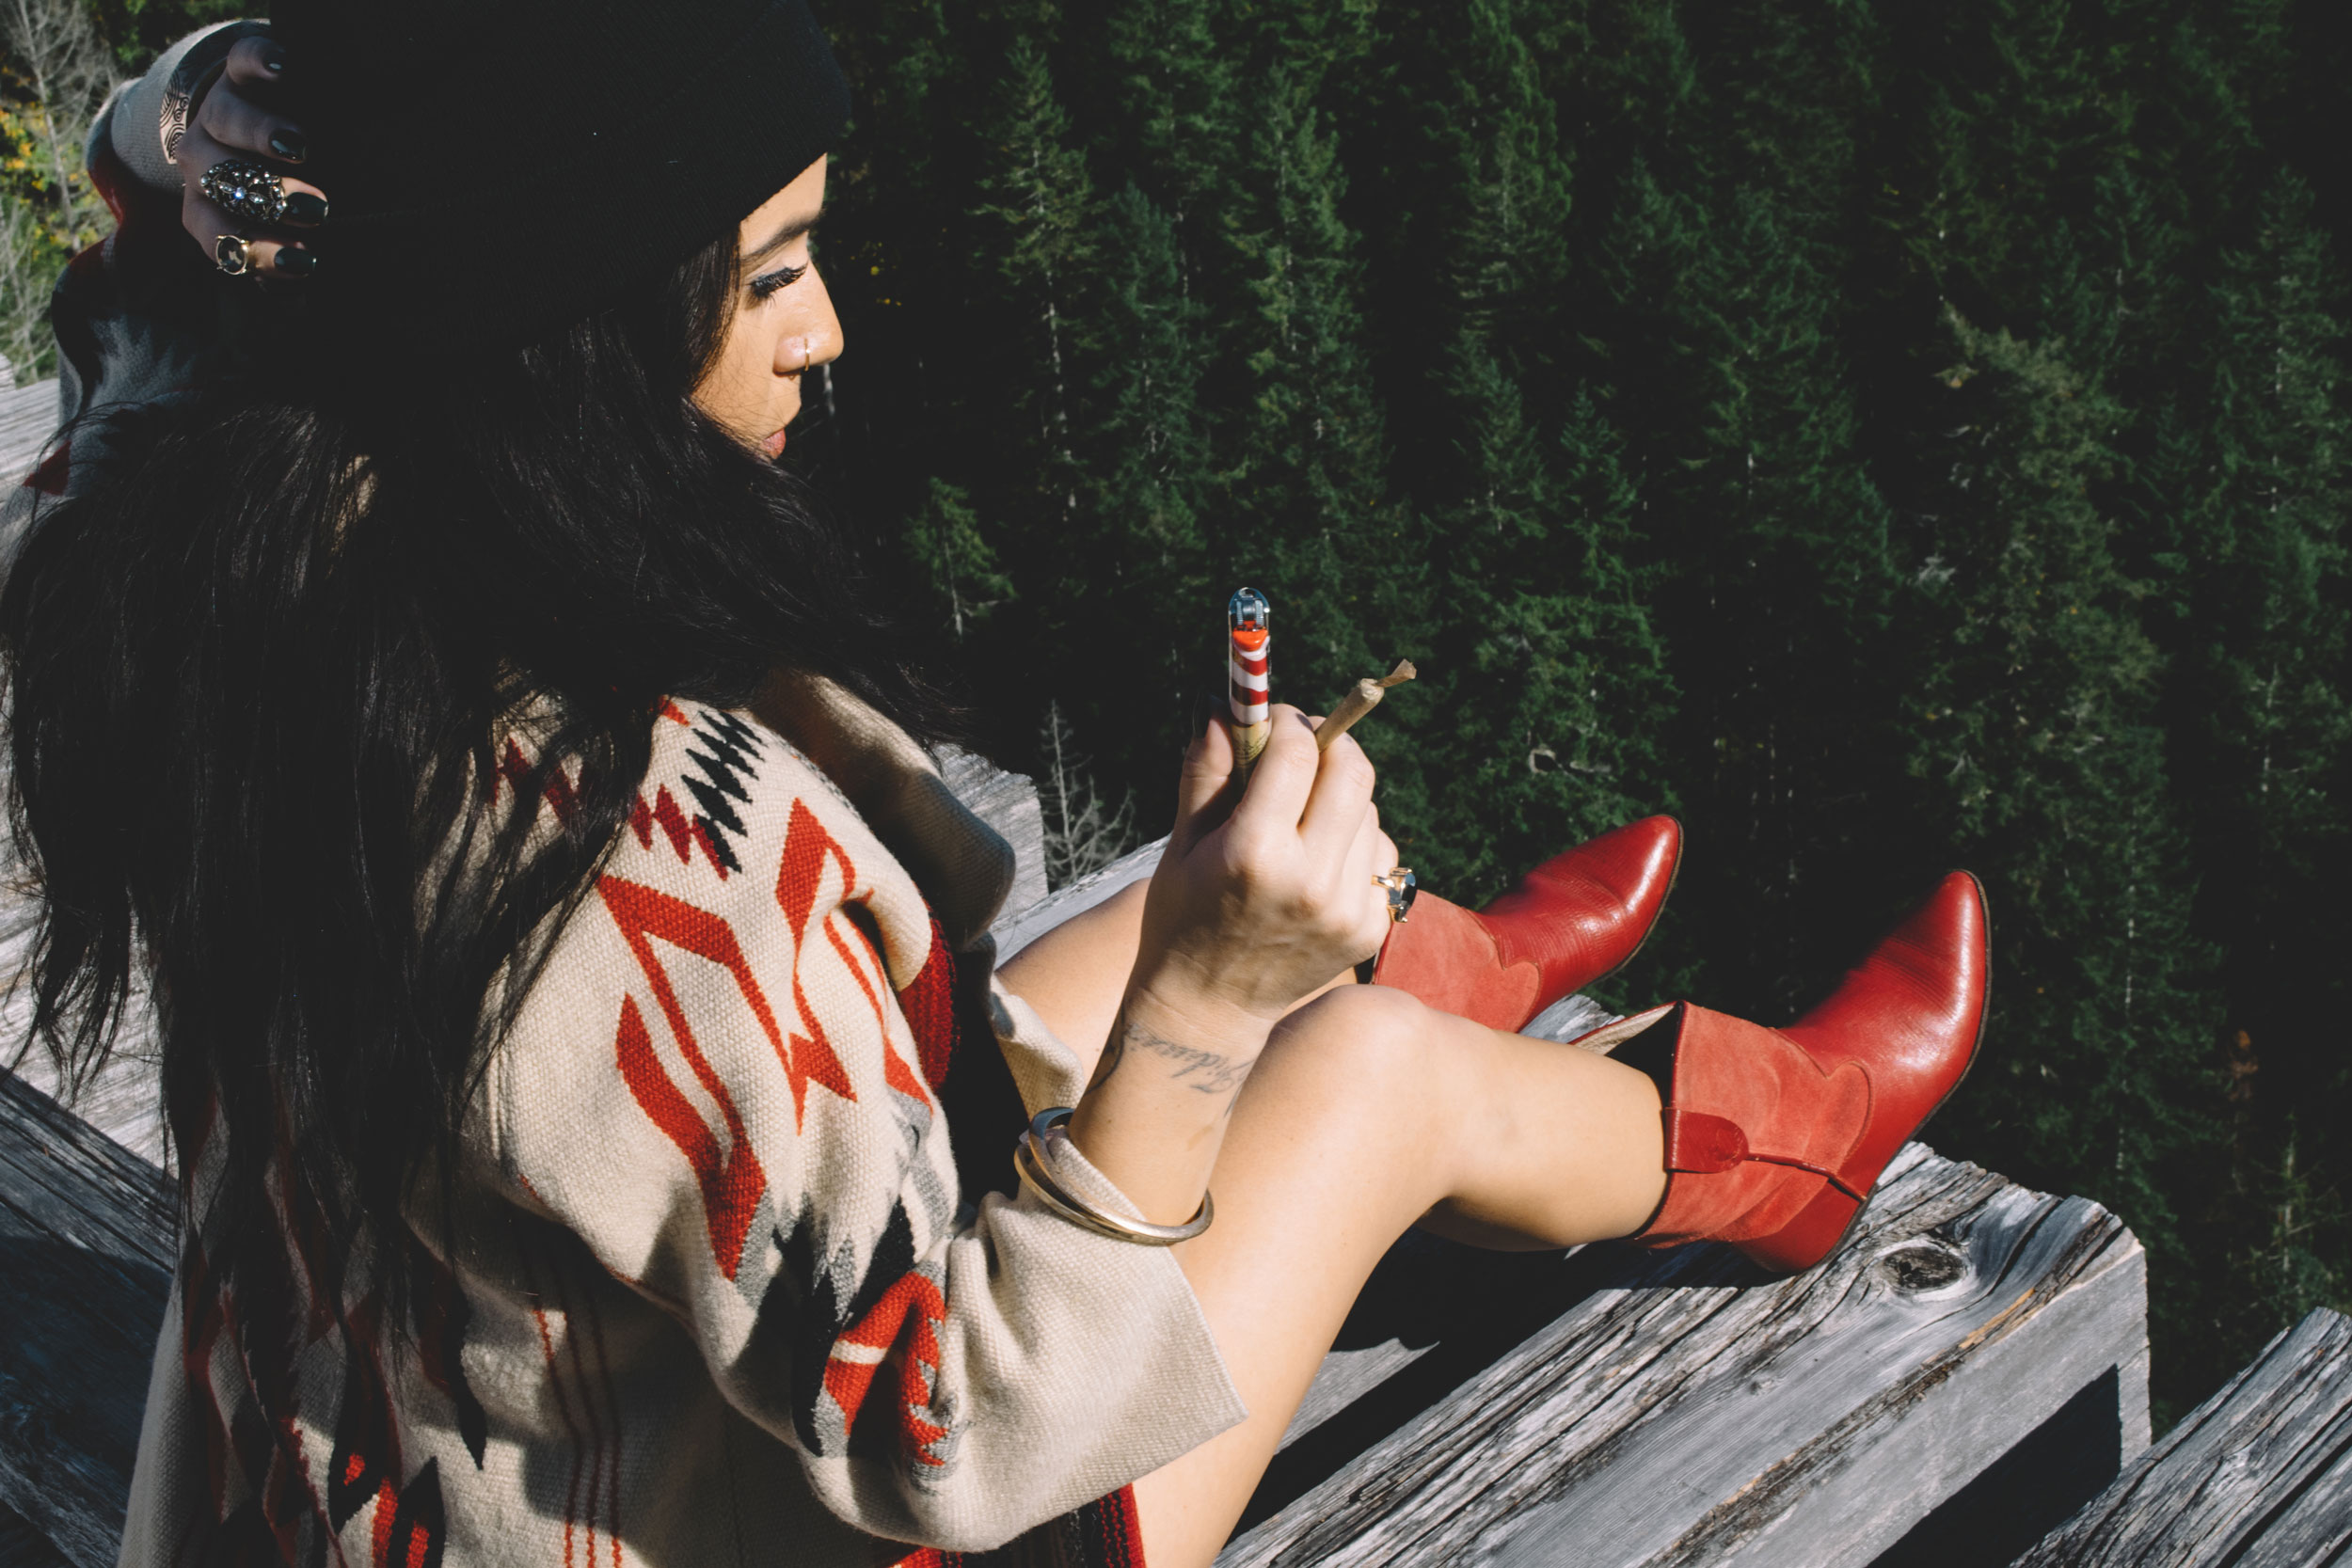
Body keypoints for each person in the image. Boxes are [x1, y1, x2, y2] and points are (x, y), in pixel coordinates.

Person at [0, 6, 1988, 1566]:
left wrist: (222, 116)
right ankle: (1792, 1135)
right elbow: (945, 1432)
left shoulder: (196, 575)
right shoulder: (614, 863)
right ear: (563, 321)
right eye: (770, 270)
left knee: (1109, 934)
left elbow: (170, 192)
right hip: (902, 1508)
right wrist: (1212, 1010)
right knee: (1358, 1082)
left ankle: (1421, 943)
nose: (825, 330)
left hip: (374, 1485)